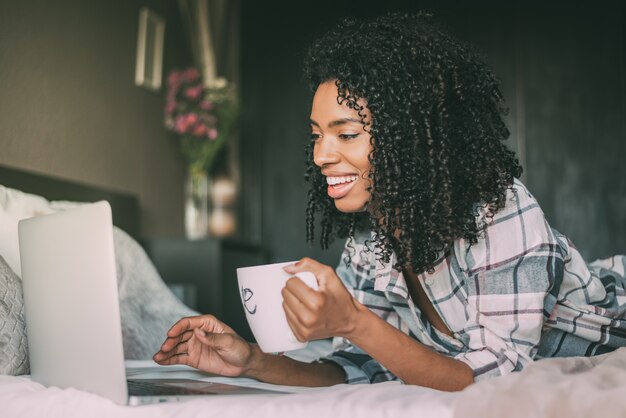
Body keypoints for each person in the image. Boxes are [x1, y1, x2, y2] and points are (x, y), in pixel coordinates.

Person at [153, 12, 626, 391]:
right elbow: (358, 366)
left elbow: (497, 378)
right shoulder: (370, 240)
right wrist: (253, 361)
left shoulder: (497, 210)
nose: (321, 155)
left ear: (409, 139)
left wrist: (355, 321)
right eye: (317, 135)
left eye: (347, 133)